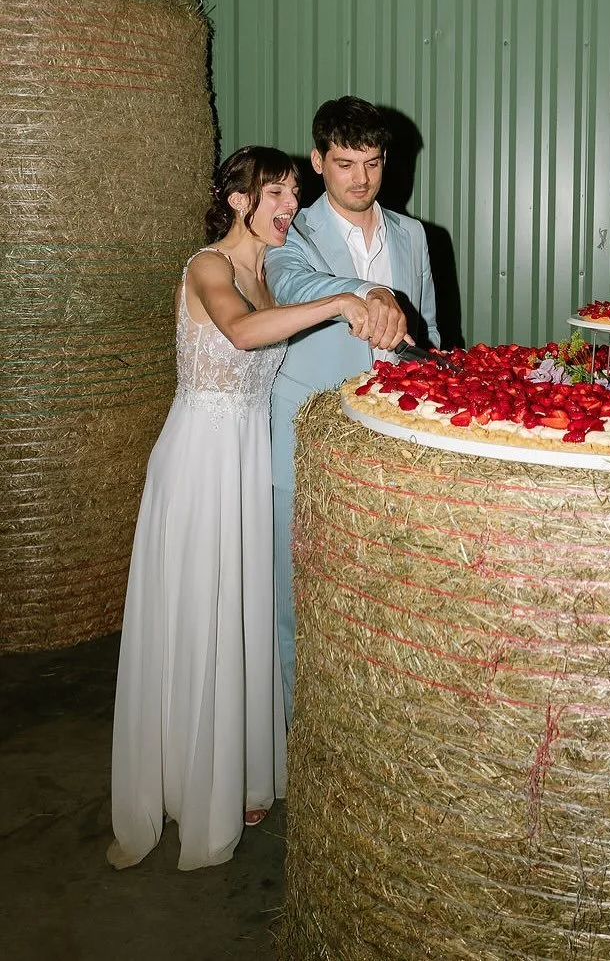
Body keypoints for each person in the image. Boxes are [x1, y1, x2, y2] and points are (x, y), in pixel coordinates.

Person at [107, 146, 382, 872]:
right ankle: (184, 786)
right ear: (237, 201)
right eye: (277, 193)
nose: (291, 205)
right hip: (198, 462)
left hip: (247, 464)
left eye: (295, 193)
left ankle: (236, 774)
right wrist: (340, 301)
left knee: (242, 617)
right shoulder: (210, 267)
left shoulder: (269, 273)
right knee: (197, 615)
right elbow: (239, 332)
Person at [265, 96, 440, 723]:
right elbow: (292, 285)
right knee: (296, 593)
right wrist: (364, 293)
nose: (361, 178)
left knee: (384, 590)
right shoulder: (292, 231)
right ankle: (289, 743)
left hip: (393, 437)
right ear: (317, 162)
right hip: (306, 430)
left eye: (372, 162)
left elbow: (430, 338)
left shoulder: (416, 236)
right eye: (344, 163)